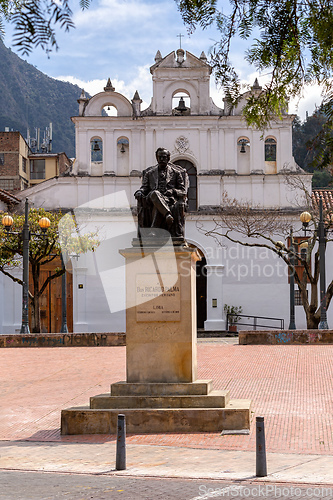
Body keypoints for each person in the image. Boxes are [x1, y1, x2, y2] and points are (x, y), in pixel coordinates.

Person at [135, 148, 188, 238]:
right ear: (157, 158)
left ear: (168, 158)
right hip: (151, 198)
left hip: (169, 199)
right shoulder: (149, 173)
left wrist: (173, 191)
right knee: (155, 193)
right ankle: (167, 214)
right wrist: (139, 192)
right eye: (160, 157)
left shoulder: (176, 173)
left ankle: (154, 230)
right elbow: (144, 188)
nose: (162, 159)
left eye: (164, 157)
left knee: (158, 205)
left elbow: (182, 191)